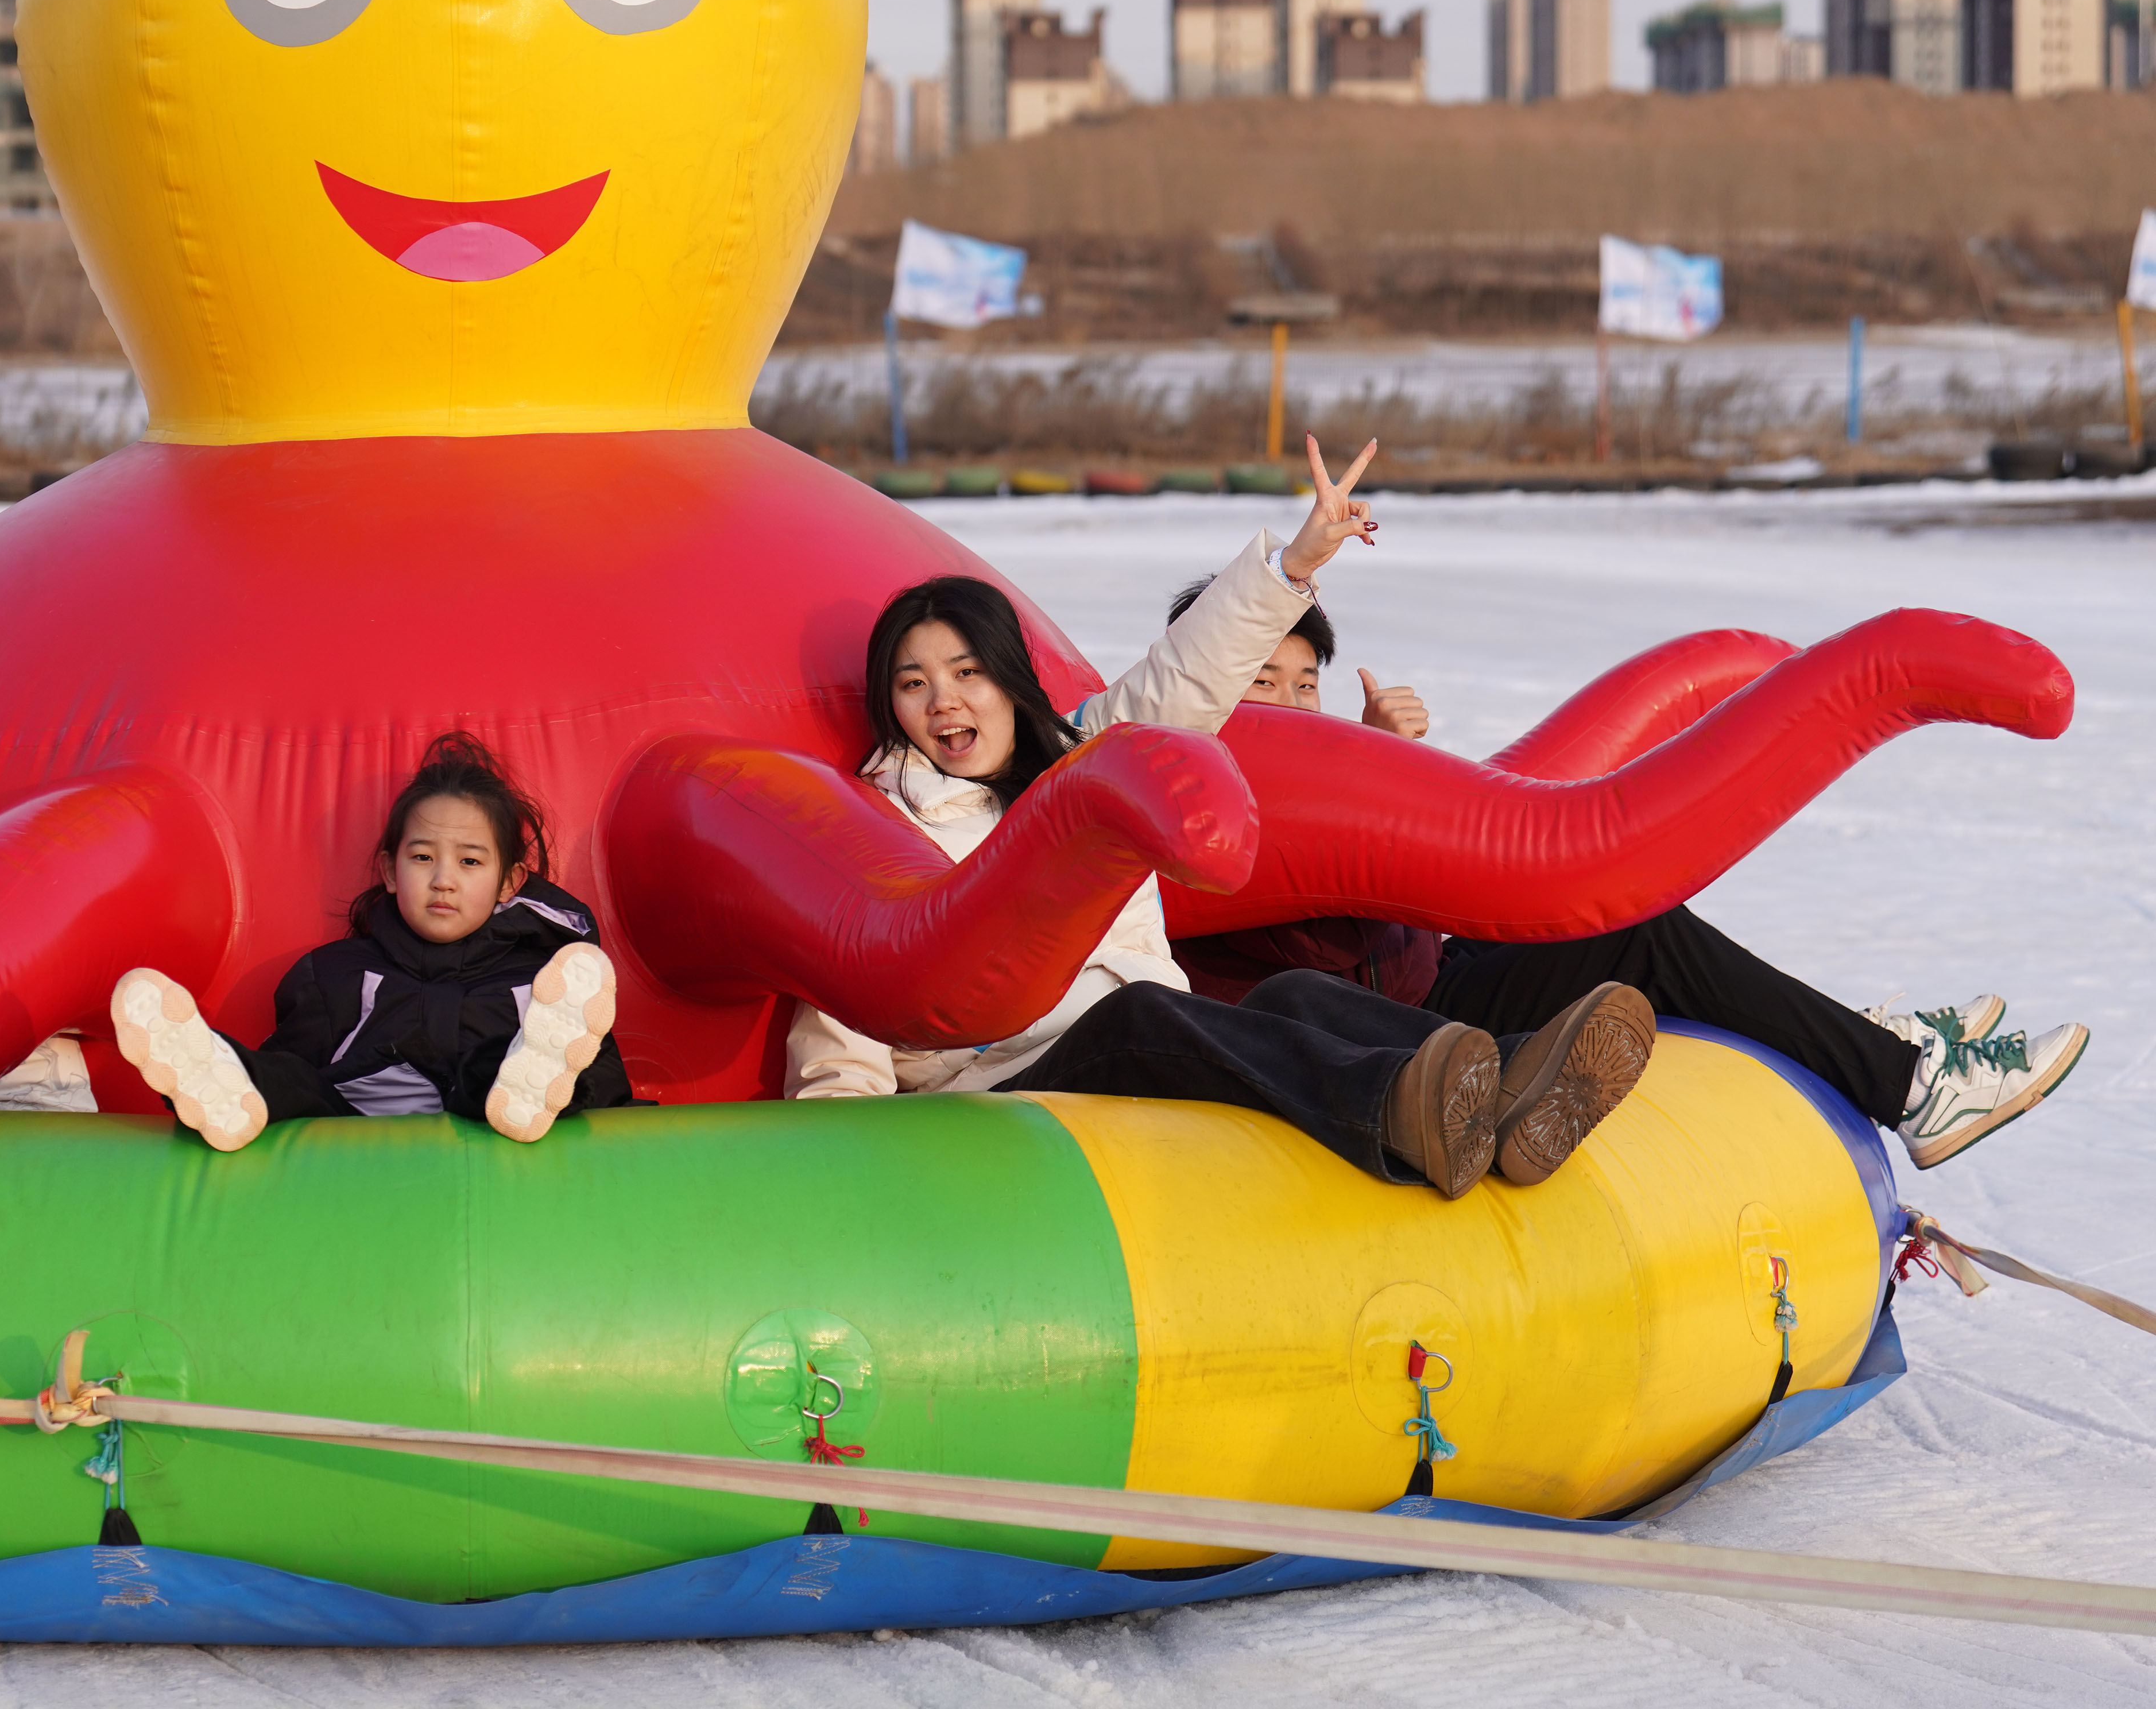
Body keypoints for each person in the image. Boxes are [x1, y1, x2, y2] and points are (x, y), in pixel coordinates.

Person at [788, 438, 1654, 1199]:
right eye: (913, 683)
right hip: (1001, 1094)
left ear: (1009, 680)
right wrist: (852, 1172)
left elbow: (1188, 675)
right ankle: (1404, 1111)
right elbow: (846, 1010)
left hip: (1129, 1041)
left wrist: (1294, 567)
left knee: (1294, 995)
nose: (943, 702)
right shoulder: (880, 832)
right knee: (1141, 1019)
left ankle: (1505, 1091)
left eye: (966, 672)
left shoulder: (1084, 763)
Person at [1167, 579, 2091, 1171]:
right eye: (1259, 682)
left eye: (1303, 683)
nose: (1289, 704)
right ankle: (1906, 1085)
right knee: (1631, 931)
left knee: (1586, 916)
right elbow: (1299, 915)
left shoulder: (1315, 773)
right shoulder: (1178, 794)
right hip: (1354, 1037)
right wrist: (1361, 785)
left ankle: (1859, 1042)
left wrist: (1370, 777)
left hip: (1429, 981)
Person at [106, 732, 629, 1153]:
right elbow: (295, 1061)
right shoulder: (340, 972)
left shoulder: (543, 977)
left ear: (509, 882)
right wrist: (264, 1081)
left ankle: (526, 1083)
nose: (444, 880)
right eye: (423, 858)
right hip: (356, 1130)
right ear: (390, 871)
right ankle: (219, 1078)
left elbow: (607, 1081)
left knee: (501, 1067)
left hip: (489, 1113)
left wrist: (571, 1081)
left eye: (470, 862)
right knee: (292, 1077)